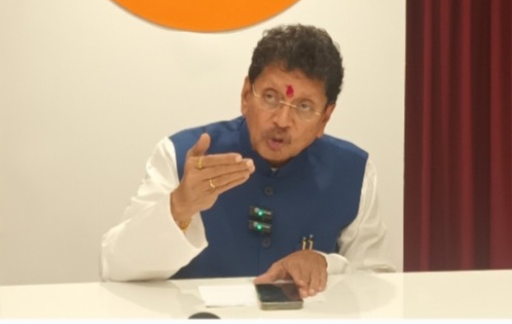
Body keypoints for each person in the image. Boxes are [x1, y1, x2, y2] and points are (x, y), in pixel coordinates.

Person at [100, 25, 393, 299]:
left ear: (325, 118)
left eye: (304, 107)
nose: (282, 120)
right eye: (271, 97)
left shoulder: (353, 173)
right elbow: (114, 267)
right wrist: (179, 206)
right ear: (245, 95)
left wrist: (325, 263)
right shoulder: (181, 156)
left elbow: (378, 287)